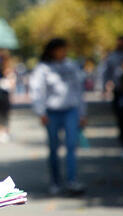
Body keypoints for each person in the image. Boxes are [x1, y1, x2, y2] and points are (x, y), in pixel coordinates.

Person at [29, 38, 86, 195]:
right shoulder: (43, 68)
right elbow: (37, 90)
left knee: (71, 147)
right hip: (52, 112)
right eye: (60, 49)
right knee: (54, 148)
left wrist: (82, 113)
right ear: (52, 50)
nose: (64, 52)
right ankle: (55, 181)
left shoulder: (71, 65)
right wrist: (40, 112)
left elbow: (79, 90)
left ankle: (72, 181)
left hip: (70, 111)